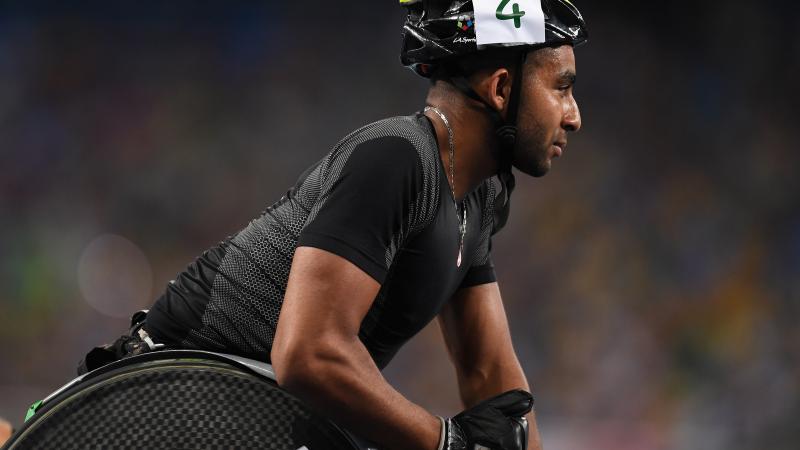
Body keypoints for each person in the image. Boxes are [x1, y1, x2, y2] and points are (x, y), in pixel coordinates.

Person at [82, 1, 587, 449]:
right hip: (159, 405)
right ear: (501, 88)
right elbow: (308, 353)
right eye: (561, 88)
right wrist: (445, 442)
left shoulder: (481, 197)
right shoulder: (399, 158)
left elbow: (491, 379)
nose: (573, 115)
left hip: (247, 415)